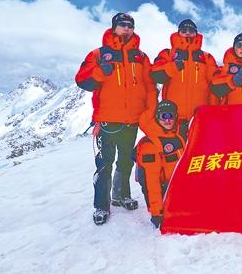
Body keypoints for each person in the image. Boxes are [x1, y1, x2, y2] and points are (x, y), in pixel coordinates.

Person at [75, 12, 157, 226]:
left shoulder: (141, 57)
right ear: (114, 27)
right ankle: (101, 206)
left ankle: (120, 195)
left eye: (130, 25)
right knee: (104, 164)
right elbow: (82, 80)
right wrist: (100, 71)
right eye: (122, 24)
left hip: (132, 120)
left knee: (126, 160)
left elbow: (149, 86)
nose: (127, 28)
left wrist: (150, 110)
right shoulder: (99, 54)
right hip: (107, 121)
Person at [135, 100, 188, 229]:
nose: (168, 120)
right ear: (157, 118)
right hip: (165, 193)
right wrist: (157, 212)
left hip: (180, 187)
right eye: (163, 116)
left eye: (171, 116)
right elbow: (151, 182)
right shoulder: (150, 145)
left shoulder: (178, 136)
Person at [151, 19, 218, 120]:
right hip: (173, 118)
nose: (187, 33)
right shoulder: (168, 54)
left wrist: (213, 111)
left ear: (196, 33)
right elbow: (156, 75)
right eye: (184, 30)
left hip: (200, 117)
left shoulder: (207, 57)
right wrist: (173, 67)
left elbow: (214, 86)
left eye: (191, 30)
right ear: (178, 33)